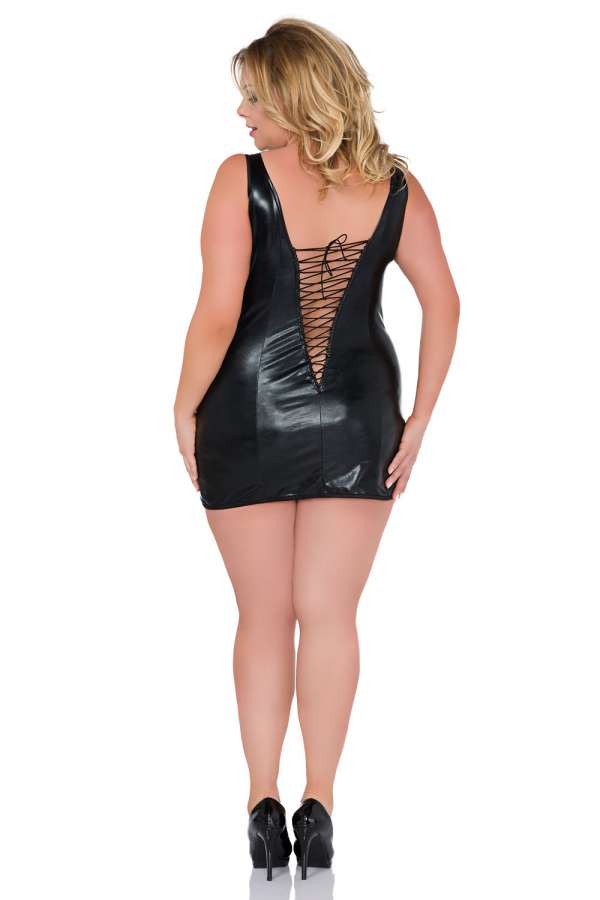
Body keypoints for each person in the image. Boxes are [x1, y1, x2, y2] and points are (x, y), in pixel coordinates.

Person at [173, 18, 460, 881]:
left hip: (248, 411)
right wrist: (419, 419)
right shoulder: (394, 185)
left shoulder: (240, 180)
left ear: (295, 99)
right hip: (359, 416)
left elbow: (218, 313)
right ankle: (320, 802)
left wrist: (183, 406)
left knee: (263, 615)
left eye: (255, 97)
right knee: (329, 615)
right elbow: (444, 302)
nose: (242, 113)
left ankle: (262, 802)